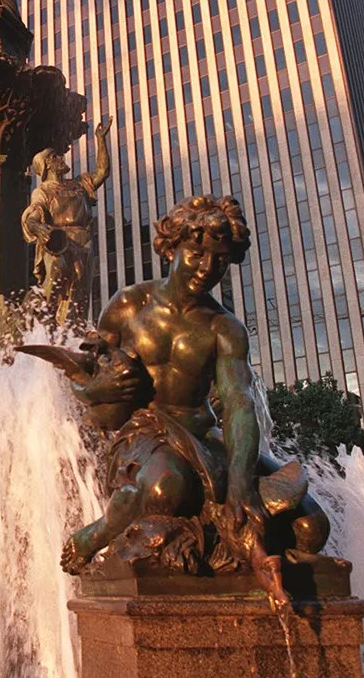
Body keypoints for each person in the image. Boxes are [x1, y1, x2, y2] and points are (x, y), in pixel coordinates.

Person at [59, 195, 296, 607]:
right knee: (168, 487)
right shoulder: (128, 305)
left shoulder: (225, 328)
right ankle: (95, 533)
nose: (207, 268)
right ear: (172, 247)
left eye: (220, 259)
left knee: (308, 525)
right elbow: (87, 390)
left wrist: (241, 479)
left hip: (202, 434)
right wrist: (94, 392)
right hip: (142, 434)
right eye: (197, 252)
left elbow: (239, 403)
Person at [22, 118, 112, 324]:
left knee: (79, 297)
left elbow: (102, 172)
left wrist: (100, 140)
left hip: (84, 243)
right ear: (46, 165)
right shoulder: (43, 191)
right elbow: (32, 216)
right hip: (59, 242)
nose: (61, 158)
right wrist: (40, 228)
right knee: (56, 279)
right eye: (55, 156)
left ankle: (71, 337)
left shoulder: (79, 185)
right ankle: (40, 323)